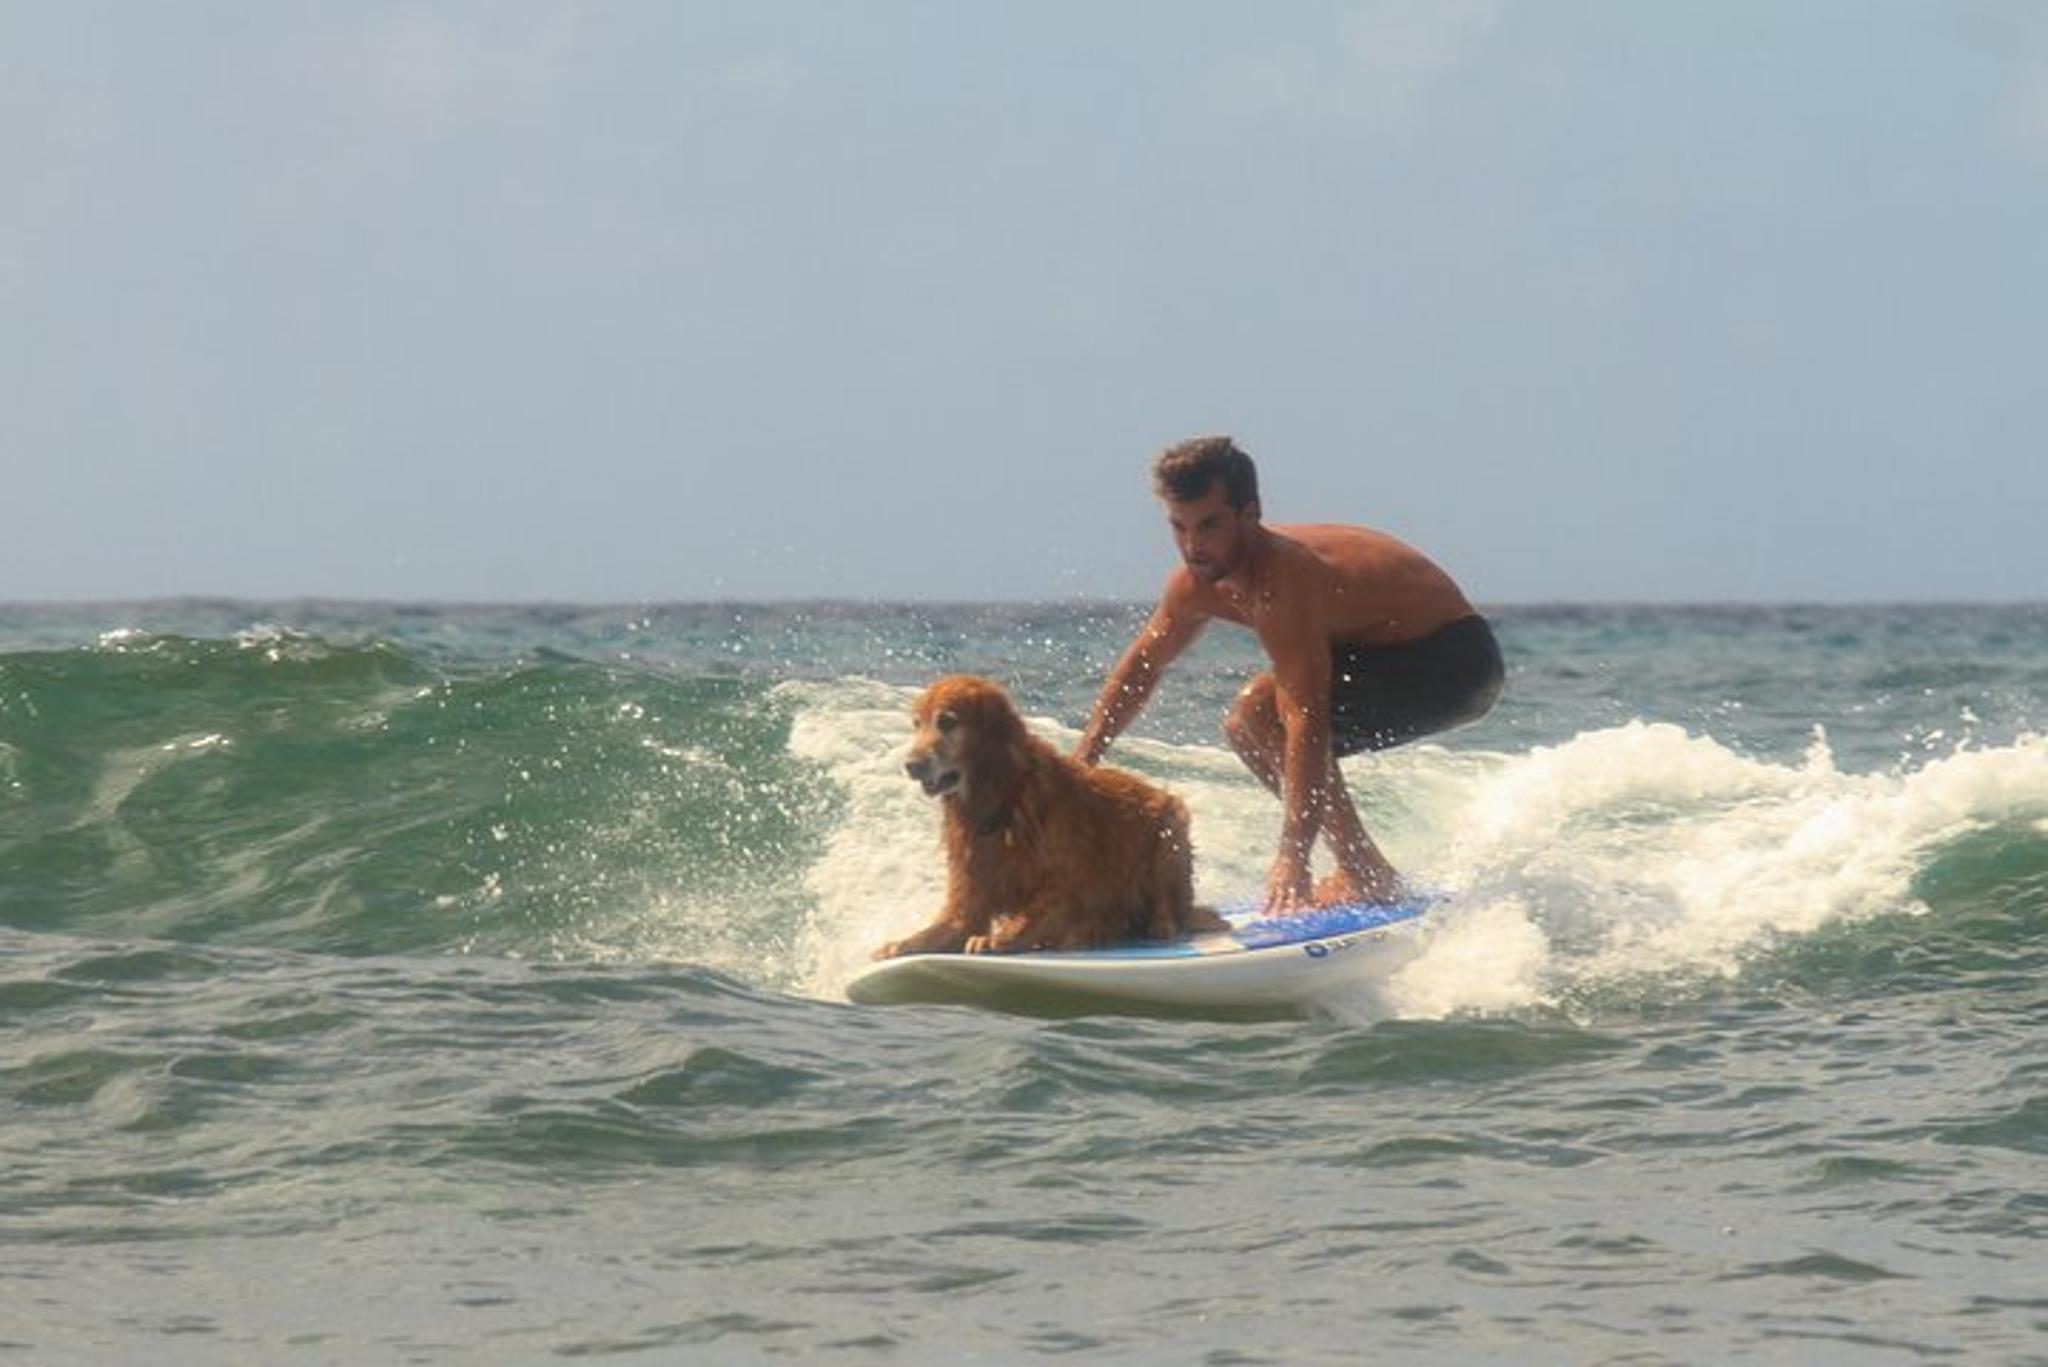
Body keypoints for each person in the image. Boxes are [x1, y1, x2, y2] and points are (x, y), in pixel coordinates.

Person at [1074, 436, 1502, 915]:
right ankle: (1365, 869)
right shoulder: (1195, 582)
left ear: (1249, 513)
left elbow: (1306, 718)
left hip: (1455, 661)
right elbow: (1143, 666)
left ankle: (1365, 873)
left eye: (1210, 525)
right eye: (1180, 527)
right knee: (1246, 722)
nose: (1194, 546)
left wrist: (1292, 857)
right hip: (1379, 648)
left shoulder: (1284, 583)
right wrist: (1083, 761)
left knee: (1261, 713)